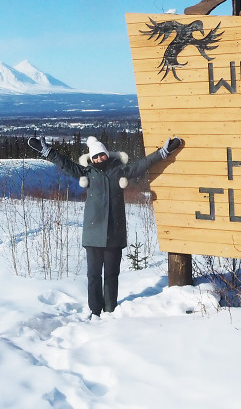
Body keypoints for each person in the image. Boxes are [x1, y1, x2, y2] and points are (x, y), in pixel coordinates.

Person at [27, 134, 184, 317]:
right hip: (93, 235)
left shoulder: (120, 171)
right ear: (91, 159)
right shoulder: (87, 173)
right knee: (93, 276)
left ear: (107, 154)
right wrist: (47, 151)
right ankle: (95, 310)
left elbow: (143, 164)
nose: (99, 158)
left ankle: (110, 309)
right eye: (95, 156)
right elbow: (65, 164)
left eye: (101, 154)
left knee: (111, 275)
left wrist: (163, 152)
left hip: (114, 234)